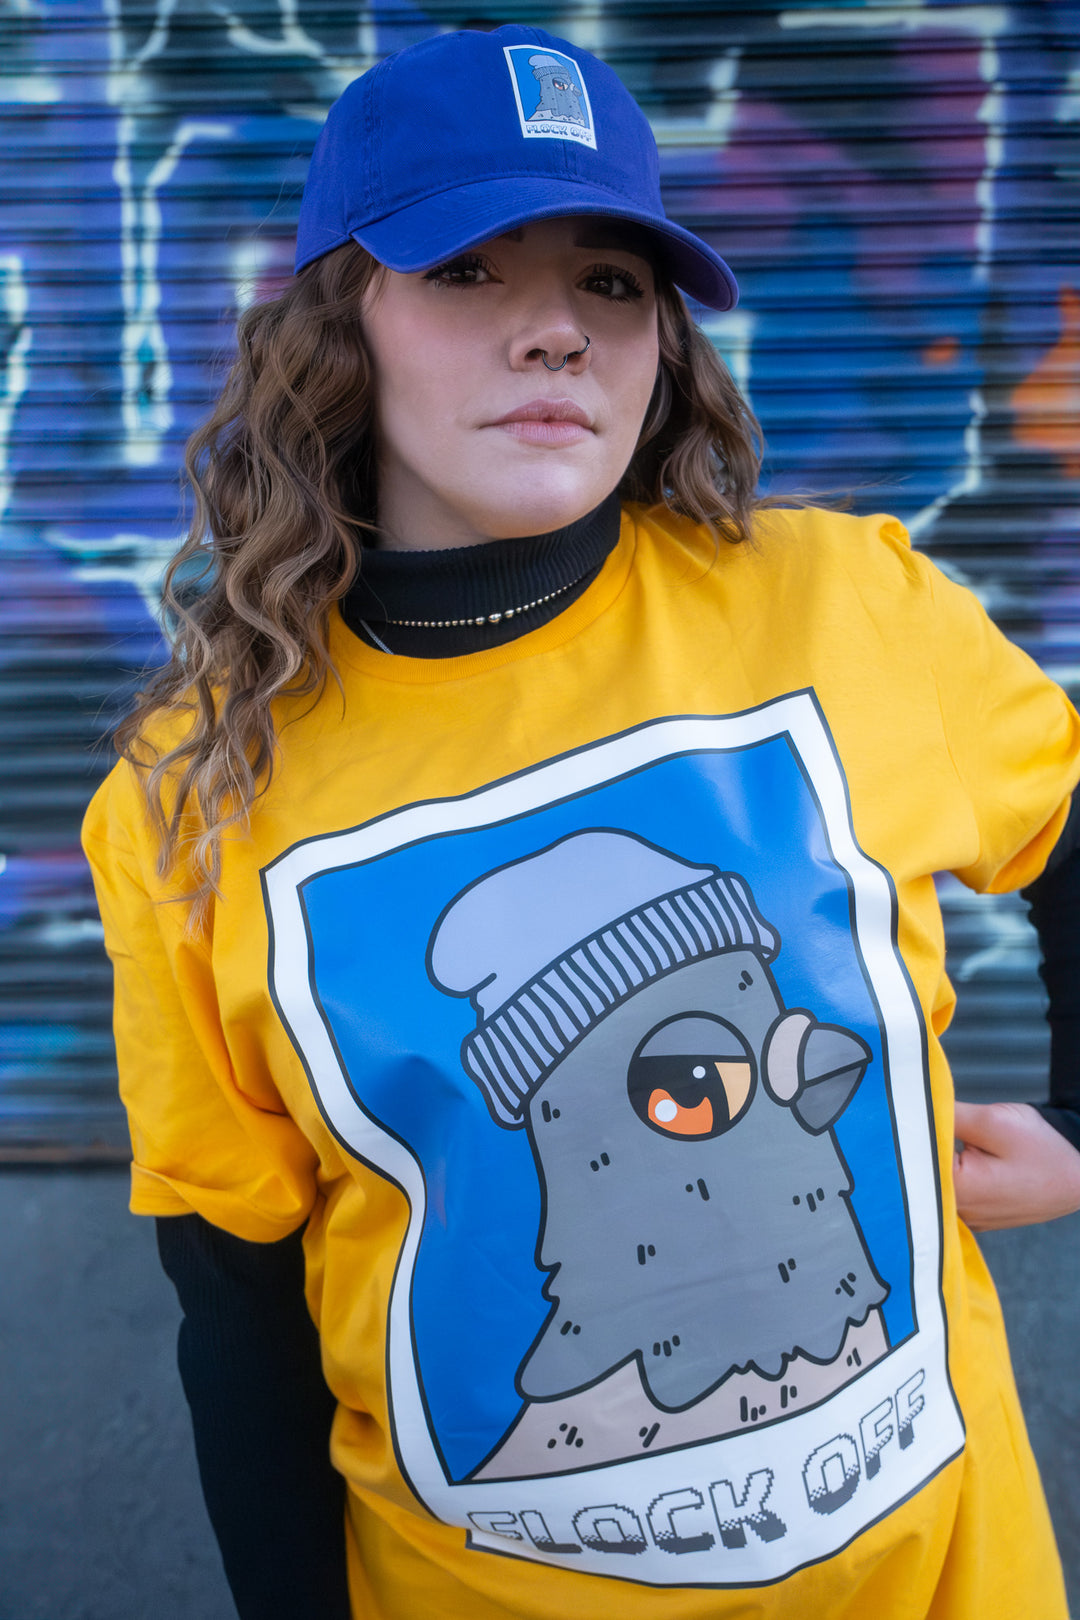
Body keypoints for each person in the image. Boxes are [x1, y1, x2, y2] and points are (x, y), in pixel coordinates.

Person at [82, 24, 1080, 1620]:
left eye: (612, 282)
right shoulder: (193, 796)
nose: (554, 329)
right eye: (470, 269)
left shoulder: (847, 608)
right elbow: (241, 1305)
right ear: (343, 329)